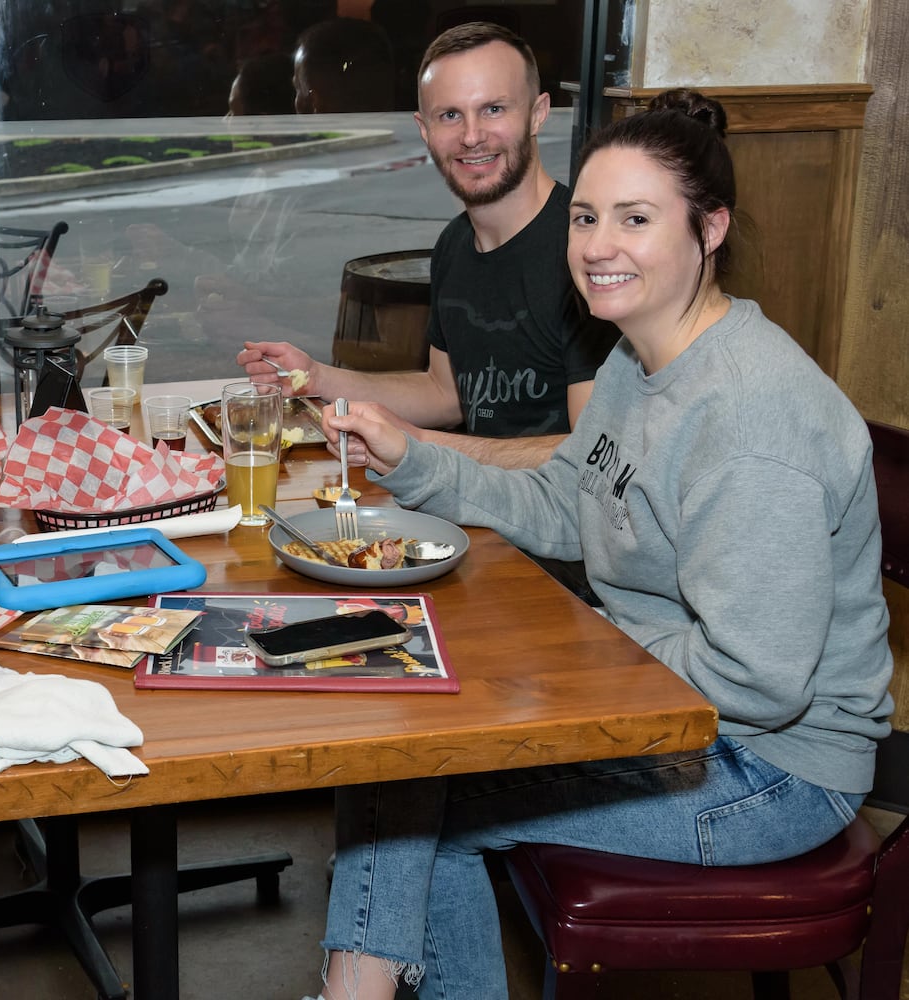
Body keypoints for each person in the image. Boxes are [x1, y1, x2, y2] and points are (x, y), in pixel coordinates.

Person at [304, 89, 893, 1000]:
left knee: (413, 806)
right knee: (396, 762)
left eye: (635, 219)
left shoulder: (751, 419)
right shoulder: (637, 357)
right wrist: (411, 457)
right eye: (586, 217)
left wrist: (574, 658)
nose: (596, 245)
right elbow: (564, 500)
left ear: (711, 230)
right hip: (676, 717)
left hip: (771, 774)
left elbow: (761, 679)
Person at [239, 22, 620, 470]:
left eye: (494, 109)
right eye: (450, 115)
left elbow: (593, 457)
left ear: (538, 114)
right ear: (424, 129)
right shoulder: (455, 244)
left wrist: (421, 447)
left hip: (556, 534)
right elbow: (446, 394)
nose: (472, 136)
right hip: (481, 511)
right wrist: (316, 378)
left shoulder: (588, 250)